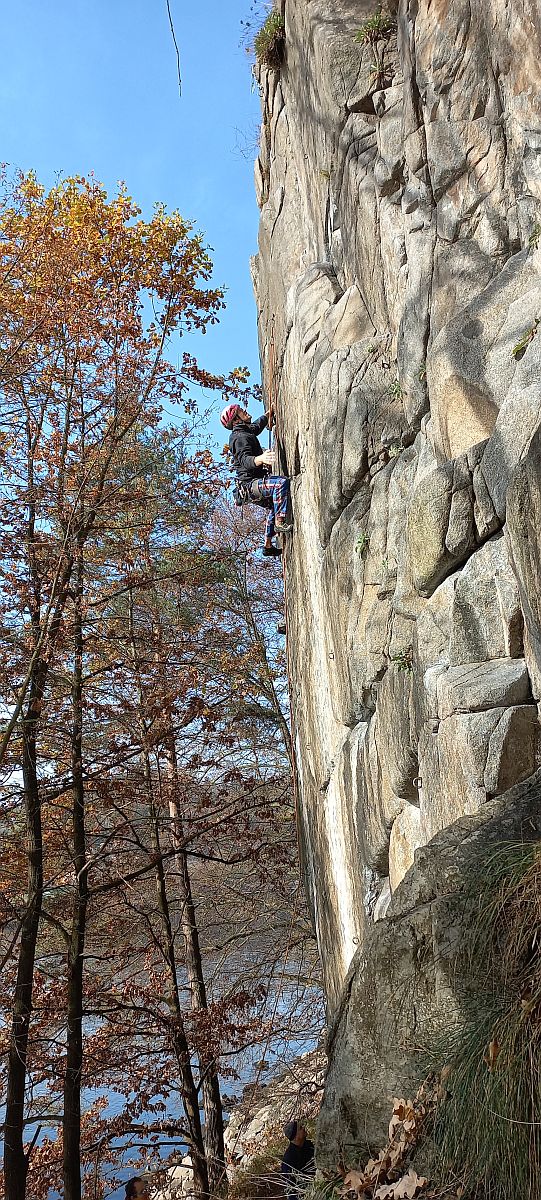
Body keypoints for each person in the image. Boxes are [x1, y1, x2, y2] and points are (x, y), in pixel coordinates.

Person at [221, 402, 293, 557]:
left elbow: (256, 427)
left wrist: (268, 415)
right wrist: (261, 458)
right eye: (240, 411)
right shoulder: (238, 438)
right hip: (250, 485)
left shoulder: (245, 431)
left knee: (277, 503)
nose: (245, 410)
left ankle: (268, 545)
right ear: (236, 420)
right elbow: (245, 460)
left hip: (251, 487)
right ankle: (280, 523)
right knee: (281, 484)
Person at [280, 1120, 315, 1197]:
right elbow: (291, 1189)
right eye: (300, 1128)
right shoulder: (288, 1160)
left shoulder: (309, 1144)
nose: (303, 1128)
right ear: (296, 1136)